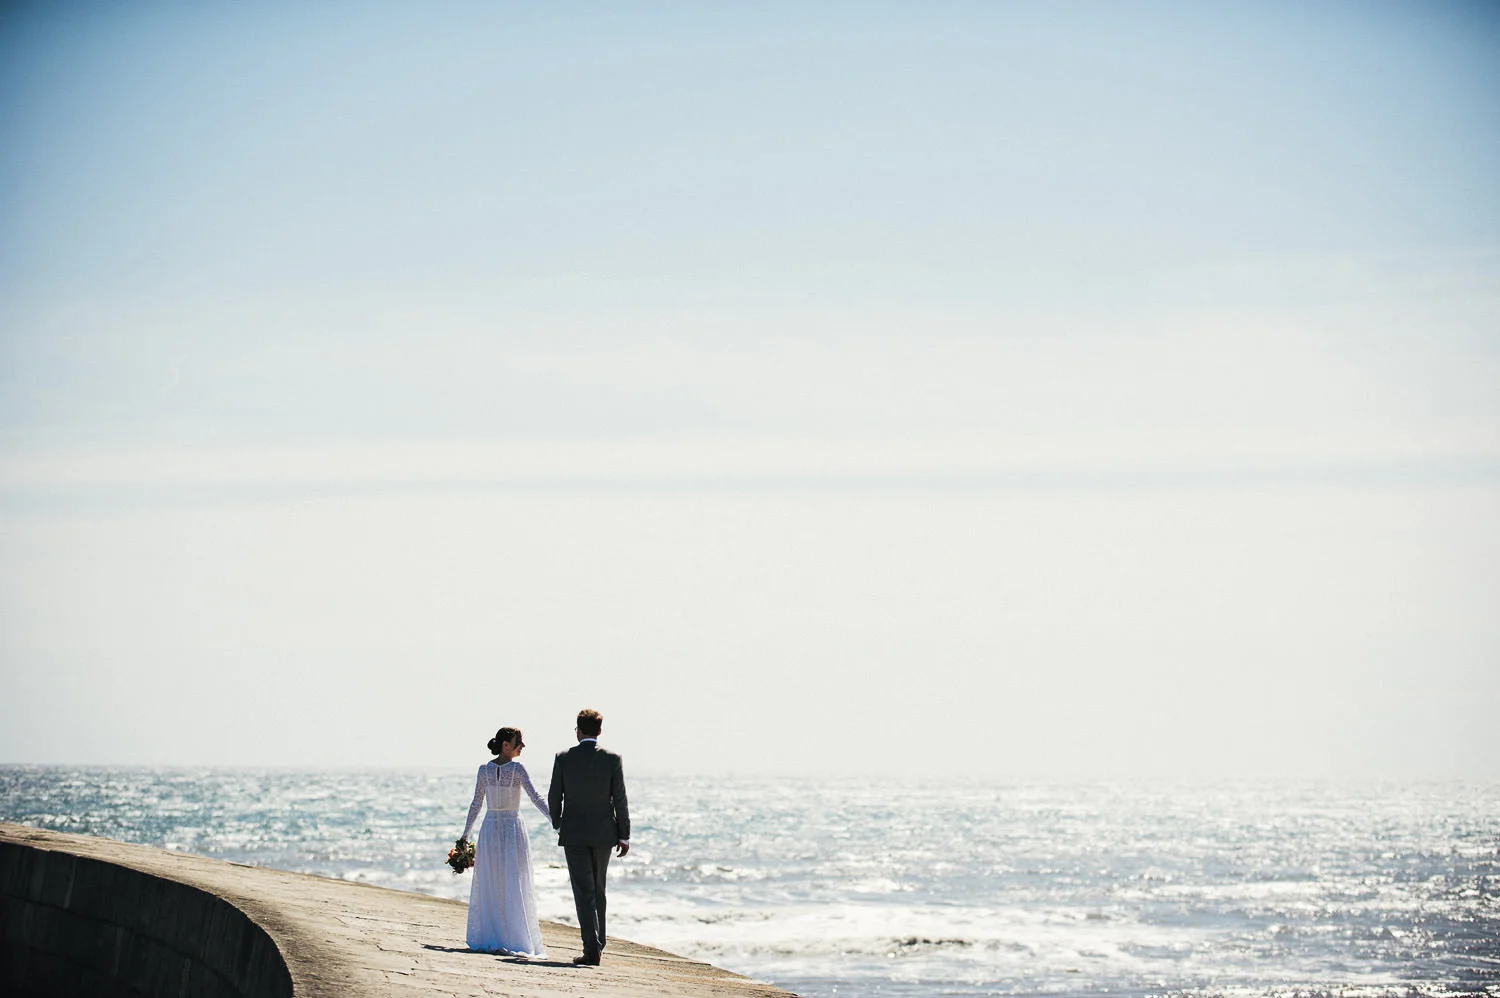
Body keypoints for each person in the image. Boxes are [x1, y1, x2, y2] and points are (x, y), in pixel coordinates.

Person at [548, 708, 630, 966]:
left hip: (574, 833)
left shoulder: (563, 758)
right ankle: (598, 943)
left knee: (583, 891)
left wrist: (558, 823)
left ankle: (591, 947)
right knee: (598, 889)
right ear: (599, 731)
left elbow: (554, 796)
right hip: (605, 834)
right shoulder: (613, 759)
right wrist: (624, 835)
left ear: (578, 730)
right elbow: (620, 799)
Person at [459, 726, 551, 956]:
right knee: (504, 879)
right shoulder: (500, 769)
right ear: (506, 745)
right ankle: (502, 935)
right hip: (507, 828)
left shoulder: (500, 770)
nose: (523, 746)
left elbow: (476, 804)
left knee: (505, 879)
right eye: (518, 741)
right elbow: (477, 803)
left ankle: (504, 934)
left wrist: (554, 820)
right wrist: (464, 835)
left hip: (493, 828)